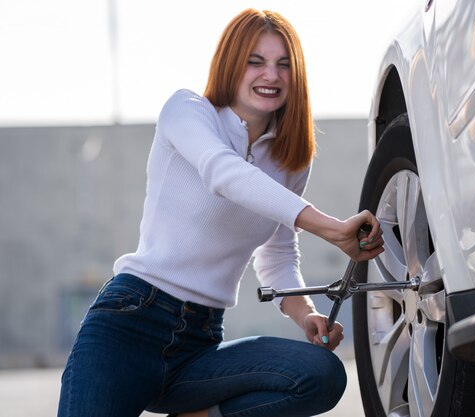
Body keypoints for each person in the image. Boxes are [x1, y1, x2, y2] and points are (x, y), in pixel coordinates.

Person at [57, 8, 384, 417]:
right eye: (256, 61)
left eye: (284, 65)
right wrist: (332, 228)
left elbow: (279, 254)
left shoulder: (291, 160)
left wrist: (307, 315)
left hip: (200, 343)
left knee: (321, 374)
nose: (271, 75)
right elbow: (225, 173)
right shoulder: (188, 111)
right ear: (231, 64)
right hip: (131, 323)